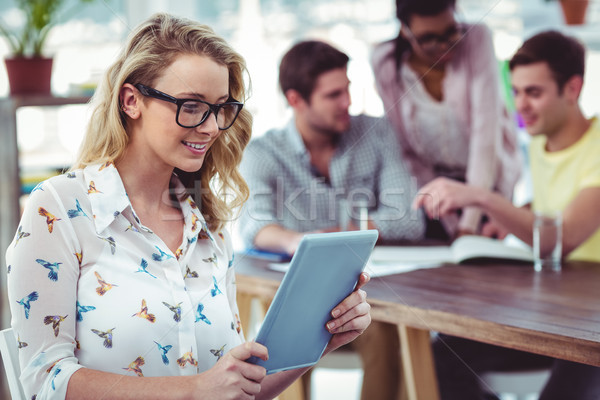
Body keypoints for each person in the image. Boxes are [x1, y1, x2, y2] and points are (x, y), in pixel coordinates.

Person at [6, 14, 371, 400]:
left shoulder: (207, 226)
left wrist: (321, 340)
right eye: (192, 106)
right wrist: (194, 390)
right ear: (132, 101)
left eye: (219, 108)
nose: (212, 127)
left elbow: (236, 390)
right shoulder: (59, 209)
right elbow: (43, 382)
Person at [413, 30, 600, 399]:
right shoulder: (543, 143)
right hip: (556, 310)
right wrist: (514, 216)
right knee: (442, 358)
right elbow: (559, 203)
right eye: (515, 92)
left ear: (573, 88)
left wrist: (481, 197)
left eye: (534, 92)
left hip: (591, 325)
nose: (521, 105)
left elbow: (556, 240)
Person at [239, 40, 424, 400]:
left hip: (369, 292)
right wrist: (299, 242)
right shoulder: (263, 152)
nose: (348, 103)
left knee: (386, 328)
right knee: (283, 337)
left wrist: (341, 235)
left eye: (348, 89)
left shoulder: (376, 133)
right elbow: (254, 224)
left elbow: (408, 220)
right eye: (333, 95)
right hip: (299, 293)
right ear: (296, 100)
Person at [371, 0, 521, 240]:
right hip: (434, 193)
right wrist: (450, 222)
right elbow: (409, 152)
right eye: (428, 38)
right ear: (404, 31)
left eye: (451, 32)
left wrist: (468, 226)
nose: (444, 46)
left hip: (488, 184)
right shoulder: (385, 62)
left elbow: (485, 141)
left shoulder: (476, 38)